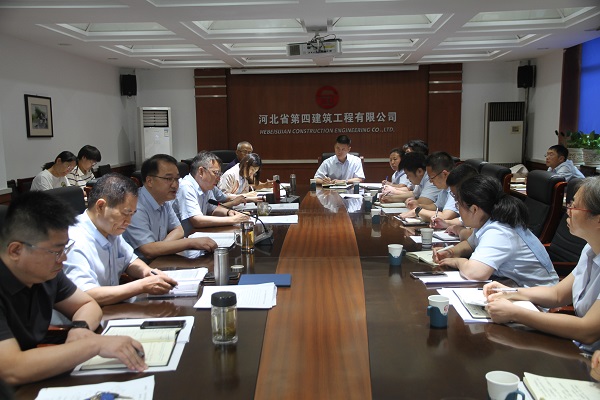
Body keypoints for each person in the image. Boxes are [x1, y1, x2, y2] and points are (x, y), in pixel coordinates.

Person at [0, 191, 147, 385]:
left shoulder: (45, 273)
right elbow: (12, 369)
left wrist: (80, 328)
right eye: (56, 251)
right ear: (16, 250)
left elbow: (86, 304)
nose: (63, 258)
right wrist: (93, 345)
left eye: (65, 249)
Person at [484, 176, 600, 352]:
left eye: (574, 206)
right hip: (577, 347)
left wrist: (515, 313)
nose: (568, 210)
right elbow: (557, 294)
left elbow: (587, 331)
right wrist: (509, 293)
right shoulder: (590, 249)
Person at [63, 173, 177, 306]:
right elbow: (86, 294)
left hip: (111, 309)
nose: (128, 221)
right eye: (125, 214)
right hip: (85, 315)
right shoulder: (74, 240)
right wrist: (141, 286)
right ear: (100, 206)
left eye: (132, 214)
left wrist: (147, 272)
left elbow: (129, 260)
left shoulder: (110, 228)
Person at [434, 174, 559, 287]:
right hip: (513, 287)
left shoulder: (499, 231)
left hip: (538, 298)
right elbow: (470, 244)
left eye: (458, 205)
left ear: (474, 209)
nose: (458, 210)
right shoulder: (488, 220)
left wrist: (458, 262)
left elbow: (475, 273)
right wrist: (451, 252)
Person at [122, 154, 218, 262]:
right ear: (149, 181)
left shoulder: (164, 199)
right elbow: (148, 250)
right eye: (168, 179)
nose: (175, 185)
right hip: (141, 267)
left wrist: (160, 248)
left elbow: (179, 230)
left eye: (176, 179)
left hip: (160, 260)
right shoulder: (135, 207)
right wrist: (190, 242)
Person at [174, 151, 249, 233]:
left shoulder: (206, 186)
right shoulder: (186, 187)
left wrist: (229, 212)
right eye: (216, 173)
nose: (219, 178)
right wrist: (233, 220)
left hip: (199, 233)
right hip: (185, 237)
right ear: (201, 171)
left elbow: (213, 210)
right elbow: (197, 221)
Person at [399, 152, 458, 222]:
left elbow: (445, 216)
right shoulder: (444, 189)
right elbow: (436, 207)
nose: (430, 181)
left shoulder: (456, 188)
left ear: (444, 174)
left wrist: (417, 211)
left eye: (432, 177)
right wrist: (418, 205)